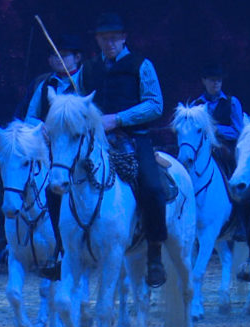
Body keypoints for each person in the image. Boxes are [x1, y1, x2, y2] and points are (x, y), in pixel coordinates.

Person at [77, 12, 168, 287]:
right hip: (95, 141)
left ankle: (154, 254)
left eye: (114, 37)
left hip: (133, 138)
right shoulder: (88, 69)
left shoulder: (141, 65)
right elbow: (78, 100)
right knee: (62, 178)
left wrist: (117, 119)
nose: (109, 42)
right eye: (104, 38)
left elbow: (155, 104)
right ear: (97, 40)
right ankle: (62, 248)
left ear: (124, 37)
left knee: (153, 187)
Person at [23, 34, 84, 281]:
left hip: (82, 150)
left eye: (65, 54)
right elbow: (30, 117)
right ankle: (59, 248)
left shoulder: (86, 79)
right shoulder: (44, 85)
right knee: (46, 189)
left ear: (77, 57)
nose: (58, 59)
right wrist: (41, 127)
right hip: (55, 152)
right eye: (54, 55)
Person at [192, 63, 243, 160]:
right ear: (204, 81)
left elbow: (238, 131)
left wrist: (217, 129)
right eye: (212, 80)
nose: (216, 83)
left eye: (219, 80)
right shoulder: (195, 105)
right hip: (201, 150)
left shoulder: (232, 102)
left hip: (226, 151)